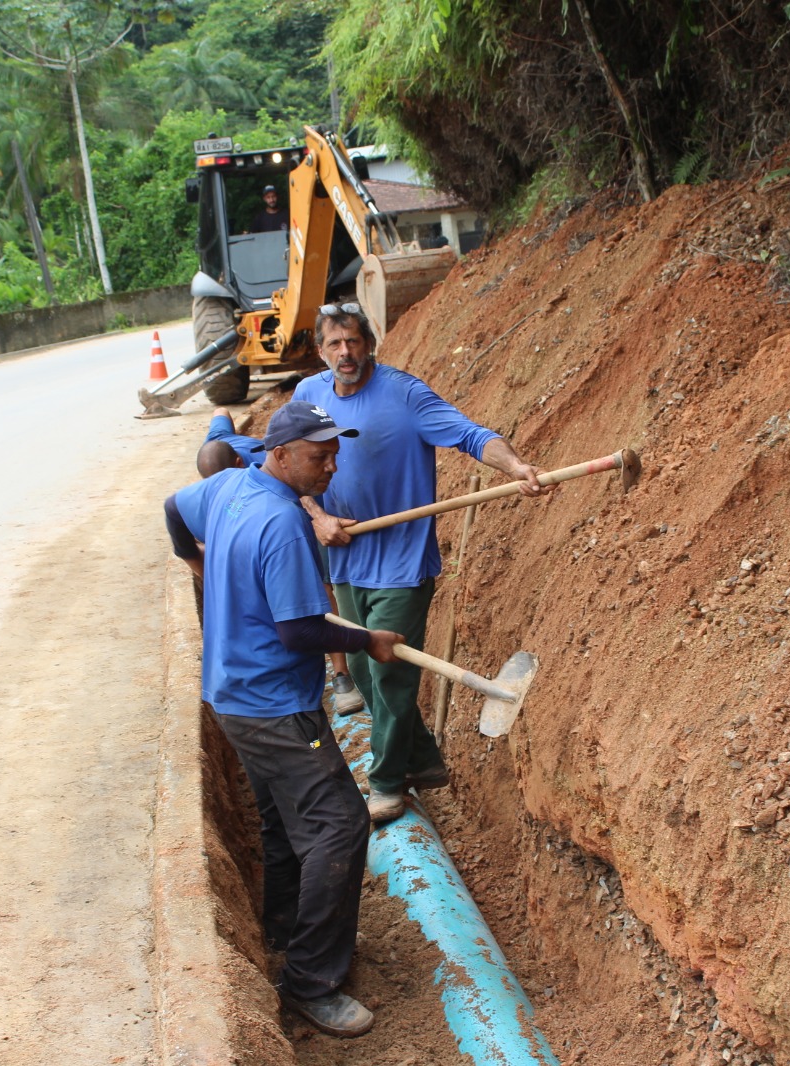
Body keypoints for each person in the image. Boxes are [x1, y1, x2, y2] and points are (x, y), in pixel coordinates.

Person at [164, 401, 404, 1039]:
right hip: (276, 705)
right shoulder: (281, 524)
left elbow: (171, 507)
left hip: (232, 695)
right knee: (340, 824)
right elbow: (300, 629)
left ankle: (278, 926)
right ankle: (311, 982)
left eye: (334, 454)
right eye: (318, 455)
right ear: (278, 452)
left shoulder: (227, 487)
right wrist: (367, 641)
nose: (330, 466)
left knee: (277, 814)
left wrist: (199, 567)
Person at [293, 303, 551, 825]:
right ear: (321, 351)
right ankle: (424, 760)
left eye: (354, 342)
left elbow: (471, 434)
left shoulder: (404, 395)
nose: (346, 353)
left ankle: (387, 782)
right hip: (344, 558)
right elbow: (283, 464)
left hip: (403, 562)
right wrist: (317, 515)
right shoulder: (308, 396)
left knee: (390, 674)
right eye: (335, 344)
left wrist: (517, 465)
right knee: (364, 673)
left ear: (370, 343)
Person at [195, 406, 367, 715]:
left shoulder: (275, 469)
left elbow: (298, 492)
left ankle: (341, 674)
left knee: (318, 587)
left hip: (310, 502)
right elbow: (220, 411)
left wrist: (319, 517)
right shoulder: (221, 458)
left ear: (238, 462)